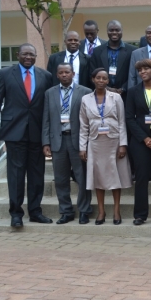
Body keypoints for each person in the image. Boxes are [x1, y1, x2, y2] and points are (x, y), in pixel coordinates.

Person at [0, 43, 54, 228]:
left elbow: (49, 105)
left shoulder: (45, 76)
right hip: (14, 131)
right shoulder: (6, 74)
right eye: (25, 54)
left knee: (36, 175)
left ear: (36, 55)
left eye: (32, 54)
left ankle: (35, 212)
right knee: (15, 175)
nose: (28, 57)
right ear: (18, 55)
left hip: (37, 133)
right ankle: (16, 214)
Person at [79, 68, 132, 225]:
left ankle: (116, 211)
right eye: (98, 78)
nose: (101, 80)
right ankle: (101, 211)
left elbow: (122, 121)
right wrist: (82, 147)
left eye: (104, 78)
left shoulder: (116, 97)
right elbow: (83, 125)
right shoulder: (85, 99)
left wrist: (123, 144)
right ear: (93, 79)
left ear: (108, 81)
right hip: (95, 143)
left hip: (114, 142)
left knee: (116, 176)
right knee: (98, 177)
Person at [42, 63, 92, 224]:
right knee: (61, 179)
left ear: (73, 73)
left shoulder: (84, 92)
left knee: (82, 177)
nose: (64, 75)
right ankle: (66, 211)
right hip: (58, 141)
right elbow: (46, 119)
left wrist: (88, 142)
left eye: (67, 72)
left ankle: (84, 210)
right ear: (57, 75)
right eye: (61, 72)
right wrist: (45, 142)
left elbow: (89, 119)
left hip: (78, 140)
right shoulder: (49, 93)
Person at [125, 59, 151, 226]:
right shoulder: (133, 91)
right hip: (140, 141)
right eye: (140, 70)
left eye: (146, 69)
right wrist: (145, 138)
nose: (143, 72)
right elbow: (129, 118)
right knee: (141, 177)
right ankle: (140, 215)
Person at [87, 20, 137, 102]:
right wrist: (106, 88)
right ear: (107, 31)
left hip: (125, 95)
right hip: (102, 94)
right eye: (111, 30)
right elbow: (92, 74)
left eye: (117, 30)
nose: (114, 32)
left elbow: (134, 73)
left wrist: (123, 88)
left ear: (122, 31)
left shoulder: (132, 51)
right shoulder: (97, 51)